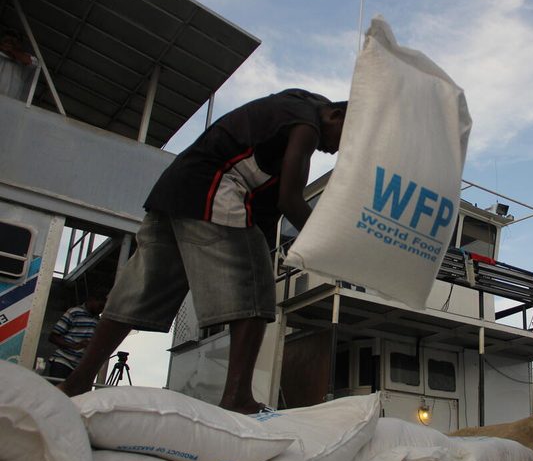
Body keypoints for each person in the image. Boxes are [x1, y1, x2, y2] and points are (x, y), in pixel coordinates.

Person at [58, 89, 347, 414]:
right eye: (341, 140)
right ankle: (237, 399)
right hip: (213, 187)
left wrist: (260, 251)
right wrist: (333, 248)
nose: (333, 150)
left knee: (138, 291)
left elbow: (268, 211)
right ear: (334, 115)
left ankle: (76, 382)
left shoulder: (287, 113)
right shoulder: (307, 123)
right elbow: (291, 200)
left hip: (175, 191)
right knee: (254, 296)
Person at [45, 290, 107, 381]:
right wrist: (74, 346)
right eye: (100, 306)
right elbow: (53, 337)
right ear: (91, 300)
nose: (101, 310)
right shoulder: (74, 312)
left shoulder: (98, 321)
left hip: (79, 367)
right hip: (63, 361)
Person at [0, 29, 37, 100]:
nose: (9, 44)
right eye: (6, 41)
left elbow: (34, 62)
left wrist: (12, 50)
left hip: (11, 104)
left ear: (19, 45)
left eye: (13, 42)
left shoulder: (23, 61)